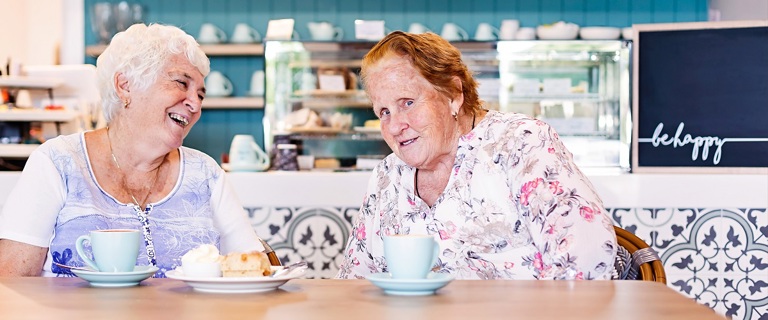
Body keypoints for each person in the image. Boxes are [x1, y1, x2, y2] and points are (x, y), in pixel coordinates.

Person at [336, 31, 617, 280]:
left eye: (407, 102)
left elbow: (587, 261)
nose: (395, 126)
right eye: (383, 112)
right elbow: (353, 279)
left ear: (454, 94)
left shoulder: (520, 144)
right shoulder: (388, 175)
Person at [0, 23, 264, 277]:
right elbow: (11, 283)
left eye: (201, 95)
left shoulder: (206, 174)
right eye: (181, 84)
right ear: (125, 86)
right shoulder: (57, 162)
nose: (195, 104)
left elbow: (255, 268)